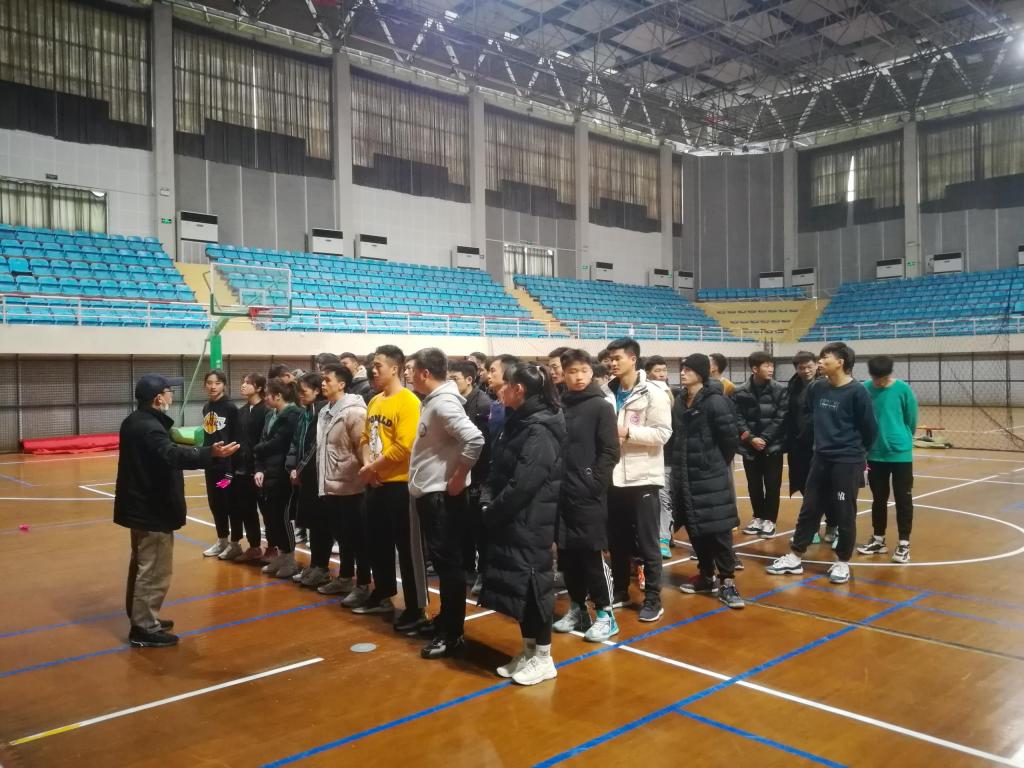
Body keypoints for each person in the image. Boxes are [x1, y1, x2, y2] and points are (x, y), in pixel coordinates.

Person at [115, 374, 239, 647]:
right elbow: (171, 454)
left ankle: (142, 616)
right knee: (154, 570)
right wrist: (210, 454)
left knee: (142, 564)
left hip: (142, 506)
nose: (172, 395)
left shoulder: (135, 421)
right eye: (169, 391)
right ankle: (144, 627)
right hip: (152, 508)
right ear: (158, 398)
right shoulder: (149, 427)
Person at [480, 363, 565, 686]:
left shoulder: (540, 428)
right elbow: (498, 468)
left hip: (530, 521)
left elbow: (524, 484)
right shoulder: (518, 420)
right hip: (511, 519)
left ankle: (544, 658)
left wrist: (492, 512)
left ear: (519, 389)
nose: (499, 389)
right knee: (519, 589)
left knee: (533, 589)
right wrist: (487, 501)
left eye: (506, 384)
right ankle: (529, 652)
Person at [767, 342, 878, 585]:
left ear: (840, 362)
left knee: (844, 511)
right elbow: (808, 414)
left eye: (825, 357)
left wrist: (855, 453)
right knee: (810, 508)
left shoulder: (857, 392)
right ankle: (795, 555)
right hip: (820, 458)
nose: (820, 362)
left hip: (847, 461)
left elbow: (870, 429)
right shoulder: (816, 388)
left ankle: (842, 561)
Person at [408, 348, 485, 659]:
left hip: (442, 497)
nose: (408, 374)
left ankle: (452, 634)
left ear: (425, 373)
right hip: (433, 494)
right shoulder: (434, 401)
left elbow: (475, 439)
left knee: (449, 567)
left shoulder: (443, 403)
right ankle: (446, 621)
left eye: (411, 369)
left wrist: (459, 476)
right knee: (444, 565)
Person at [354, 345, 428, 626]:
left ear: (395, 368)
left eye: (378, 366)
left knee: (408, 550)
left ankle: (416, 608)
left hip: (400, 486)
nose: (372, 371)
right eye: (372, 366)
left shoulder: (408, 401)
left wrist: (373, 468)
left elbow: (405, 446)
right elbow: (365, 439)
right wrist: (368, 466)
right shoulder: (374, 401)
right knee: (377, 543)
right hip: (375, 483)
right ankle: (383, 592)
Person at [552, 349, 620, 641]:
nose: (578, 377)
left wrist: (594, 484)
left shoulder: (600, 406)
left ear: (591, 372)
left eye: (583, 371)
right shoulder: (559, 405)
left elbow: (610, 451)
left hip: (587, 494)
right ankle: (578, 608)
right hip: (561, 492)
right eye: (572, 371)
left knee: (591, 554)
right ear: (563, 374)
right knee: (567, 555)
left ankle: (606, 614)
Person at [605, 338, 671, 622]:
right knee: (617, 541)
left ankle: (653, 599)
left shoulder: (653, 392)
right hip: (613, 478)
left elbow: (662, 433)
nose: (612, 363)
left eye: (617, 358)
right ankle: (621, 590)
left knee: (648, 543)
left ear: (633, 359)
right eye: (610, 358)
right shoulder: (607, 392)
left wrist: (628, 432)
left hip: (643, 478)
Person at [671, 355, 744, 608]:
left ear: (701, 373)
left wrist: (711, 463)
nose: (683, 373)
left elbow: (729, 440)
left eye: (689, 369)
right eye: (682, 369)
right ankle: (706, 575)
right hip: (685, 476)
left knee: (719, 531)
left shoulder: (716, 402)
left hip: (710, 476)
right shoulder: (680, 401)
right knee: (695, 528)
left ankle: (727, 581)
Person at [315, 363, 371, 603]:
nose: (323, 383)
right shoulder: (324, 411)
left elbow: (363, 448)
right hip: (330, 484)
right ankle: (345, 577)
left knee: (357, 538)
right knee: (342, 536)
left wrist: (364, 475)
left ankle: (364, 583)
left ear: (342, 384)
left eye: (327, 380)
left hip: (352, 486)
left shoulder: (355, 412)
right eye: (322, 379)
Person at [858, 355, 918, 564]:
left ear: (889, 374)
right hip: (875, 454)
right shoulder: (865, 389)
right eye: (875, 378)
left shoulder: (903, 389)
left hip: (900, 454)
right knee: (878, 498)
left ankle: (904, 544)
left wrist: (901, 437)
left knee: (903, 499)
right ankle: (878, 539)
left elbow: (911, 419)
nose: (879, 382)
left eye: (882, 378)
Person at [448, 360, 492, 595]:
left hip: (478, 475)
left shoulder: (483, 404)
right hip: (458, 472)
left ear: (469, 379)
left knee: (479, 529)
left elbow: (483, 445)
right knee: (462, 525)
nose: (450, 383)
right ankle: (467, 567)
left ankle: (483, 572)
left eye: (454, 378)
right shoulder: (453, 402)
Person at [733, 351, 788, 539]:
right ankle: (758, 517)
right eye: (767, 365)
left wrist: (763, 438)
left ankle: (770, 521)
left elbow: (781, 417)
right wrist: (751, 439)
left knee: (772, 485)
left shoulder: (780, 390)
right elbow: (737, 418)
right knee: (754, 485)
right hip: (750, 448)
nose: (771, 369)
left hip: (772, 447)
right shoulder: (740, 391)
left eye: (772, 365)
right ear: (755, 369)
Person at [254, 378, 303, 579]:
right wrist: (259, 469)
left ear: (278, 396)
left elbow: (279, 443)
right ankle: (281, 556)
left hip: (283, 474)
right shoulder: (270, 415)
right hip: (269, 473)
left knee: (283, 516)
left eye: (267, 394)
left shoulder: (293, 415)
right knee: (271, 516)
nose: (265, 398)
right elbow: (263, 440)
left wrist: (255, 449)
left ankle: (289, 558)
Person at [288, 372, 331, 588]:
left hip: (317, 477)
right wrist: (292, 467)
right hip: (304, 475)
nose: (300, 395)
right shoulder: (305, 412)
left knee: (320, 523)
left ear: (317, 391)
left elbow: (315, 446)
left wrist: (299, 469)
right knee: (312, 523)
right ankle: (315, 565)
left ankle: (321, 568)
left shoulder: (321, 411)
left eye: (304, 391)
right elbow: (297, 442)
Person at [200, 369, 243, 560]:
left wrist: (232, 468)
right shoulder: (206, 407)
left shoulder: (230, 408)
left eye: (217, 383)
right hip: (212, 466)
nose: (213, 386)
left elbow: (237, 439)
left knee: (229, 503)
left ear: (224, 385)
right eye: (209, 383)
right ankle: (222, 540)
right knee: (215, 503)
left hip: (227, 469)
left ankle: (235, 543)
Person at [234, 373, 268, 563]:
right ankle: (254, 546)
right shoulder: (241, 411)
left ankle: (273, 548)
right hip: (242, 470)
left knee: (267, 511)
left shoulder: (266, 410)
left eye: (248, 383)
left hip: (261, 471)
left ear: (259, 388)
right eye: (243, 382)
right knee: (246, 509)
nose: (243, 385)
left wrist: (261, 466)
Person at [644, 355, 675, 559]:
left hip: (668, 458)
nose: (662, 374)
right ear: (648, 373)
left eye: (664, 370)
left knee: (665, 499)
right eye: (657, 370)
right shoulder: (643, 394)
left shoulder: (674, 395)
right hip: (649, 455)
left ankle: (664, 538)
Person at [785, 351, 818, 499]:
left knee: (821, 483)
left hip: (820, 443)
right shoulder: (792, 386)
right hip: (798, 443)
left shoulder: (826, 384)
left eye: (809, 366)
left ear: (816, 365)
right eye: (801, 368)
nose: (806, 371)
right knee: (803, 480)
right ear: (796, 369)